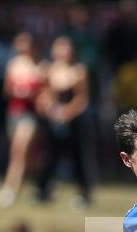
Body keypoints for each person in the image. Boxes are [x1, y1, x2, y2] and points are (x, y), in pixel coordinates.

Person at [36, 36, 92, 210]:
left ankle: (84, 192)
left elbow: (82, 98)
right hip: (53, 120)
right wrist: (49, 109)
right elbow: (43, 94)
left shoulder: (79, 71)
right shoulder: (48, 70)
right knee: (49, 156)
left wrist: (67, 113)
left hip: (73, 121)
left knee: (77, 157)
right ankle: (43, 190)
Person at [0, 32, 45, 207]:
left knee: (18, 151)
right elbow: (6, 90)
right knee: (27, 155)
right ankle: (40, 183)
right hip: (14, 113)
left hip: (30, 115)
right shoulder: (13, 64)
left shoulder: (41, 66)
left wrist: (32, 94)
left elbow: (45, 93)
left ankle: (10, 189)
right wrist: (18, 91)